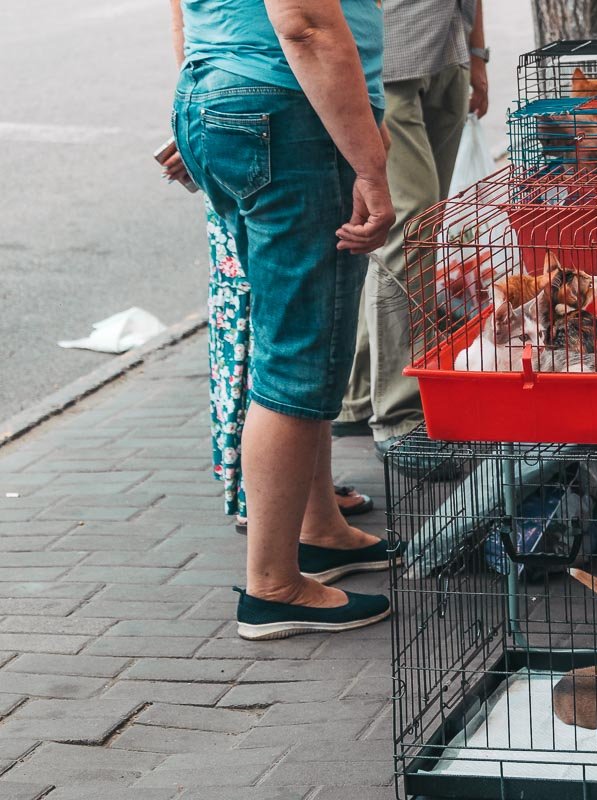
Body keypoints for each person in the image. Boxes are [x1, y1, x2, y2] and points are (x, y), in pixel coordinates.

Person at [170, 0, 396, 639]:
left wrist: (208, 90)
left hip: (236, 93)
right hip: (289, 109)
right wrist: (371, 168)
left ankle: (316, 529)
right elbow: (306, 22)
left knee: (298, 334)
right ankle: (273, 585)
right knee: (302, 353)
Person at [335, 0, 489, 470]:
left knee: (422, 226)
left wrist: (477, 54)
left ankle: (357, 394)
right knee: (412, 229)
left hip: (448, 49)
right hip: (389, 59)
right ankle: (399, 417)